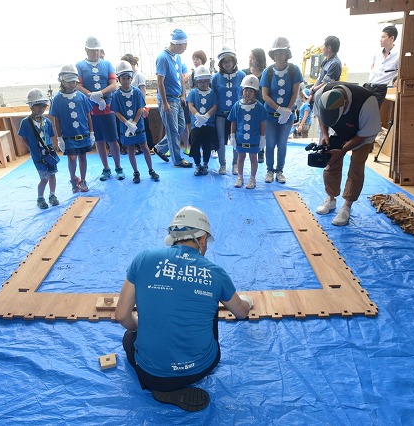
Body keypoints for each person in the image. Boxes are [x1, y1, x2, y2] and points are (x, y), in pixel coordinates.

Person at [114, 206, 253, 412]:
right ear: (202, 239)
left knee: (129, 337)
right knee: (210, 300)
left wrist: (139, 328)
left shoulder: (144, 259)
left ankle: (160, 387)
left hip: (152, 372)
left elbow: (121, 315)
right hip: (199, 367)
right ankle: (172, 384)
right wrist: (247, 302)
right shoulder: (215, 273)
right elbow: (241, 313)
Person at [313, 83, 381, 226]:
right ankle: (330, 198)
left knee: (356, 167)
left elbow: (363, 135)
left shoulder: (367, 103)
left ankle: (347, 206)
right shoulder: (320, 94)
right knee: (331, 163)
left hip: (363, 136)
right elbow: (320, 116)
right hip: (338, 132)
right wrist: (325, 135)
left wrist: (342, 151)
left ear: (345, 103)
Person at [76, 36, 125, 181]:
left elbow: (114, 85)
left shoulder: (107, 64)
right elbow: (78, 86)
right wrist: (92, 96)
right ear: (86, 50)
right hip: (91, 109)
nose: (95, 53)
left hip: (107, 107)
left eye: (97, 50)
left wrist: (100, 94)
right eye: (92, 50)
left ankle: (118, 167)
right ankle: (106, 168)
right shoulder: (80, 66)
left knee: (112, 139)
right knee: (99, 140)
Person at [260, 37, 303, 184]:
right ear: (272, 55)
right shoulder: (268, 72)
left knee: (282, 144)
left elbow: (295, 92)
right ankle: (269, 170)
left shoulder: (294, 70)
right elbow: (265, 95)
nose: (279, 56)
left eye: (282, 52)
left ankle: (280, 171)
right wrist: (279, 109)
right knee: (270, 143)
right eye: (276, 53)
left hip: (287, 116)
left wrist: (287, 110)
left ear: (287, 54)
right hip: (269, 115)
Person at [111, 61, 160, 184]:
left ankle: (151, 170)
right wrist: (127, 123)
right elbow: (116, 111)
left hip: (139, 126)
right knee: (130, 149)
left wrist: (134, 123)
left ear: (131, 78)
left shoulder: (137, 92)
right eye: (123, 78)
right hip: (125, 128)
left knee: (144, 146)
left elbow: (140, 108)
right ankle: (136, 172)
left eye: (128, 78)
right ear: (119, 79)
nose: (126, 81)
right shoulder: (116, 95)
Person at [49, 64, 94, 193]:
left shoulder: (81, 96)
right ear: (62, 81)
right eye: (69, 81)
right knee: (72, 158)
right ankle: (74, 180)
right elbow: (56, 119)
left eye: (74, 81)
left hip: (83, 134)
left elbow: (88, 115)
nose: (72, 84)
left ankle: (83, 180)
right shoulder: (57, 99)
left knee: (82, 157)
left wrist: (91, 133)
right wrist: (59, 138)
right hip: (68, 136)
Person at [153, 29, 193, 168]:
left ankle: (160, 148)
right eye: (184, 45)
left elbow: (181, 77)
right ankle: (177, 160)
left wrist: (183, 94)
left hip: (177, 98)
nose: (185, 48)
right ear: (177, 44)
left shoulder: (177, 57)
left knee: (180, 126)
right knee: (172, 130)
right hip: (168, 99)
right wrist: (164, 103)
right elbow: (160, 82)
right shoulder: (163, 58)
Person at [18, 88, 59, 209]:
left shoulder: (47, 122)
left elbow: (50, 136)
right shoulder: (26, 122)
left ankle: (52, 195)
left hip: (49, 154)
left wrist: (52, 149)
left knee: (52, 175)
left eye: (43, 106)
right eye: (38, 105)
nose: (41, 108)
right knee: (44, 178)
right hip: (38, 157)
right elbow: (24, 138)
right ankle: (40, 198)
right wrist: (32, 149)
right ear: (31, 106)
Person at [211, 46, 246, 175]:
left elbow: (246, 94)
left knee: (235, 138)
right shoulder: (215, 78)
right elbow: (213, 96)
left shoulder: (242, 75)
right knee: (221, 140)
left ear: (234, 61)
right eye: (224, 61)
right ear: (220, 63)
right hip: (221, 114)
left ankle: (235, 164)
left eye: (230, 60)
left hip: (236, 114)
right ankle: (222, 164)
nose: (227, 63)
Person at [229, 75, 267, 189]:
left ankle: (252, 179)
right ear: (242, 90)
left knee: (253, 158)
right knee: (240, 157)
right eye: (246, 90)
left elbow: (262, 123)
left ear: (255, 92)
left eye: (251, 91)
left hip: (254, 138)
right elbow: (233, 121)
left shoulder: (259, 107)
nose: (248, 93)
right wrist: (232, 136)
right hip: (240, 137)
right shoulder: (237, 105)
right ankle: (240, 177)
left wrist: (262, 138)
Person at [186, 65, 217, 176]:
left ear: (209, 81)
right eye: (200, 81)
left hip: (209, 125)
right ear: (196, 81)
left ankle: (205, 164)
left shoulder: (212, 93)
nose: (203, 84)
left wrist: (207, 116)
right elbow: (190, 105)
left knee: (207, 145)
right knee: (195, 144)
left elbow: (215, 106)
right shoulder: (193, 93)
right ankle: (198, 165)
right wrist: (198, 115)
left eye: (205, 81)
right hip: (196, 125)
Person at [121, 53, 152, 152]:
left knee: (143, 126)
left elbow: (143, 90)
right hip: (128, 106)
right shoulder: (125, 75)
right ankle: (132, 147)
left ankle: (149, 147)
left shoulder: (139, 75)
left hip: (138, 105)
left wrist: (143, 106)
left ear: (133, 64)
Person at [242, 48, 267, 163]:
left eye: (253, 58)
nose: (250, 60)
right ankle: (244, 149)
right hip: (246, 106)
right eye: (249, 57)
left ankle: (261, 150)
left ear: (259, 59)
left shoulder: (266, 73)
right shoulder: (245, 73)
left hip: (261, 106)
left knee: (260, 129)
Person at [364, 25, 399, 106]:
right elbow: (372, 67)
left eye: (383, 37)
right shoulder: (377, 53)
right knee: (361, 109)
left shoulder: (398, 55)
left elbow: (401, 72)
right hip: (368, 85)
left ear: (392, 38)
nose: (380, 40)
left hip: (380, 89)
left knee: (372, 111)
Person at [309, 36, 342, 101]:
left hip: (325, 98)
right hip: (317, 95)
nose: (322, 48)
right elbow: (319, 78)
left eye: (323, 46)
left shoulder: (335, 64)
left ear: (329, 48)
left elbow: (326, 84)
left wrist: (313, 90)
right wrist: (312, 92)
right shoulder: (326, 61)